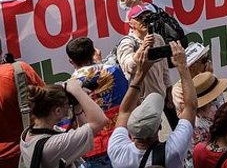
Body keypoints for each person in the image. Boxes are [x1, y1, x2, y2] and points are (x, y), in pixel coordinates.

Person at [107, 42, 196, 168]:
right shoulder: (173, 150)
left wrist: (140, 73)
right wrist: (182, 67)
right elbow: (190, 107)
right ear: (159, 126)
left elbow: (124, 112)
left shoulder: (117, 151)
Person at [65, 36, 129, 168]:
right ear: (94, 52)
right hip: (121, 135)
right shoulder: (113, 71)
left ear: (71, 61)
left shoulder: (71, 86)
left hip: (94, 145)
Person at [19, 80, 108, 168]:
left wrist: (77, 108)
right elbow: (100, 121)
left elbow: (83, 134)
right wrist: (77, 90)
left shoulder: (29, 134)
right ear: (58, 111)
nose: (69, 107)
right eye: (67, 104)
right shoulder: (54, 145)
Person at [114, 5, 169, 99]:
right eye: (139, 18)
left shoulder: (158, 39)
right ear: (131, 23)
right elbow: (129, 67)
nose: (144, 21)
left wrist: (169, 88)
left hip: (161, 98)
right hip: (141, 101)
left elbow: (164, 69)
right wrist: (143, 47)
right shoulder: (127, 43)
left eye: (147, 17)